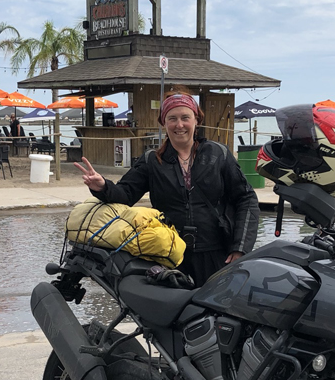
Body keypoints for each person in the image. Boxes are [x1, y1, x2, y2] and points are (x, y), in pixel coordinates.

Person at [75, 90, 259, 286]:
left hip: (216, 253)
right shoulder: (152, 160)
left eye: (185, 118)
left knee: (216, 313)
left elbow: (246, 199)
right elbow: (126, 194)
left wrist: (240, 247)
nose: (179, 125)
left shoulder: (218, 154)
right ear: (163, 123)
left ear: (196, 119)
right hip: (169, 255)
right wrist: (102, 186)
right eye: (172, 118)